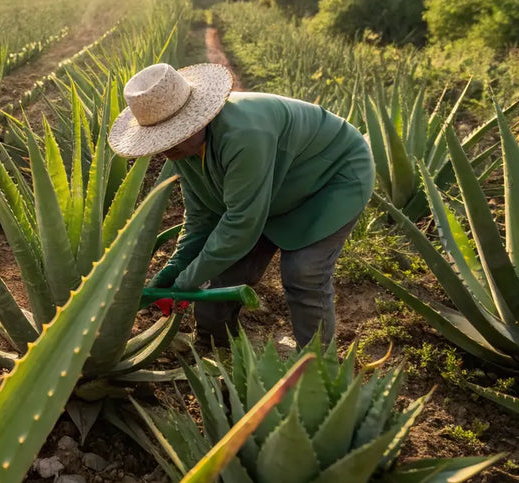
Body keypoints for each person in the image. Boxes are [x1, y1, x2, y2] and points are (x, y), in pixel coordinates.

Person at [107, 62, 374, 346]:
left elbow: (242, 223)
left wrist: (185, 284)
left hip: (330, 178)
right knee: (226, 270)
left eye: (172, 135)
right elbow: (201, 218)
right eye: (160, 140)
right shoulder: (182, 151)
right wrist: (174, 270)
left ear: (198, 119)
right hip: (270, 190)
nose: (165, 148)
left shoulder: (245, 135)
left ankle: (317, 368)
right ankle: (213, 345)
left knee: (303, 272)